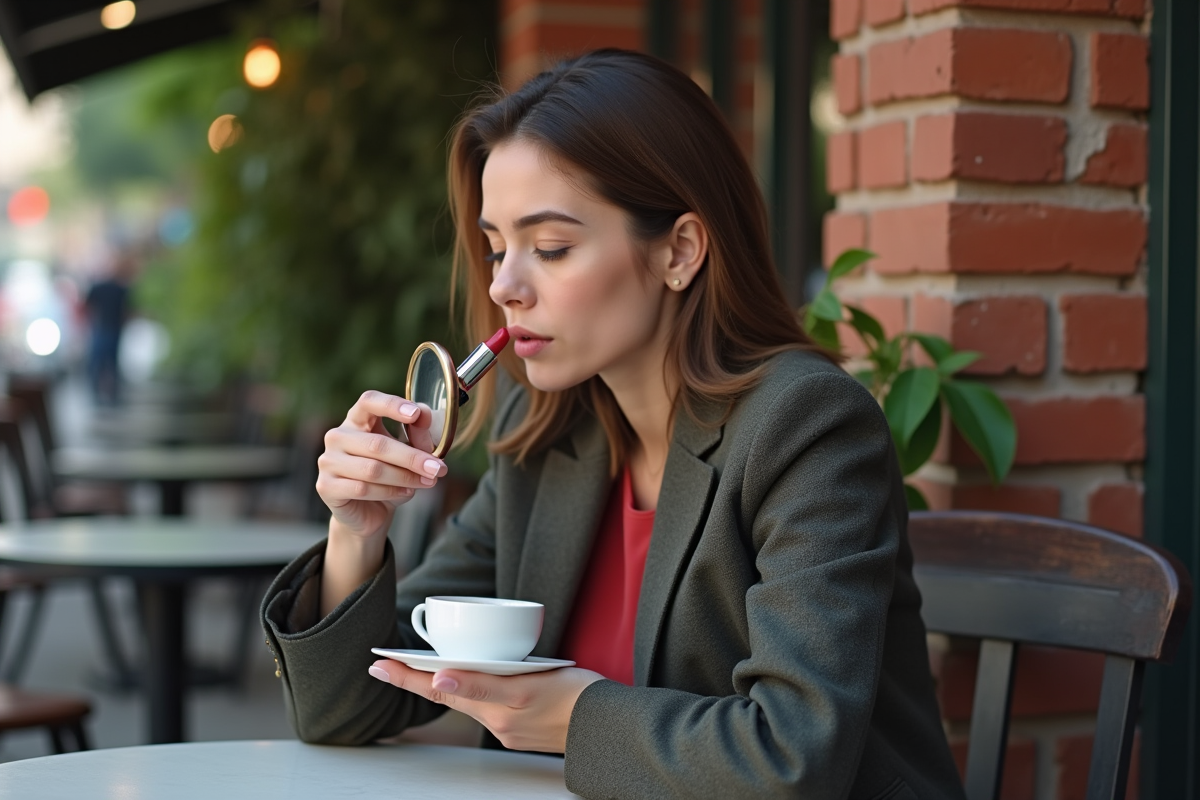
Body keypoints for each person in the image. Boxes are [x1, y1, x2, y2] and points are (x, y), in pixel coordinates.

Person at [261, 49, 966, 800]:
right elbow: (344, 709)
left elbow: (794, 755)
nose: (504, 286)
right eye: (497, 249)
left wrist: (573, 720)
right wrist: (357, 532)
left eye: (551, 248)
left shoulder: (805, 427)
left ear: (679, 251)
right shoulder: (551, 442)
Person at [84, 254, 134, 406]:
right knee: (111, 364)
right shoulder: (121, 289)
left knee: (98, 364)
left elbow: (87, 306)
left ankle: (98, 395)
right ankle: (112, 397)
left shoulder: (101, 287)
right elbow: (127, 310)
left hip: (102, 329)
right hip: (112, 330)